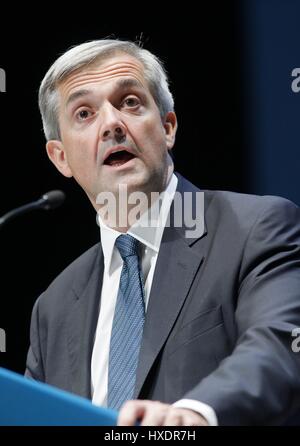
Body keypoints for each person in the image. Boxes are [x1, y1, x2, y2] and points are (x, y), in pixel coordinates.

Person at [25, 38, 300, 426]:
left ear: (168, 127)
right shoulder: (52, 309)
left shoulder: (254, 229)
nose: (112, 124)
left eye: (130, 102)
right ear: (61, 157)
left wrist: (195, 413)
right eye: (84, 113)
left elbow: (279, 345)